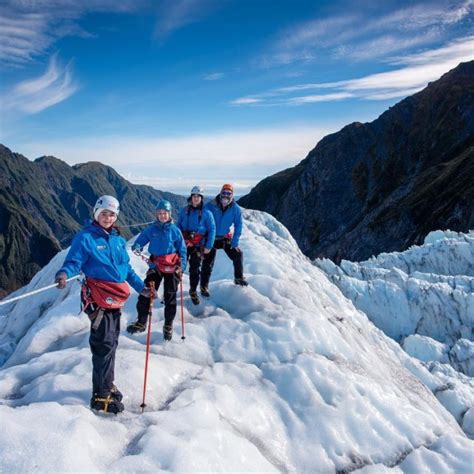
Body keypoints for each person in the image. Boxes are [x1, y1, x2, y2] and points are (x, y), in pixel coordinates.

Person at [55, 195, 145, 414]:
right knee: (103, 345)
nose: (108, 218)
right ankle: (100, 395)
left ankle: (107, 383)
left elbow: (127, 271)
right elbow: (74, 262)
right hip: (97, 300)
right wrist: (64, 273)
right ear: (96, 214)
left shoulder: (117, 240)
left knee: (111, 343)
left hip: (114, 299)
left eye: (112, 214)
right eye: (104, 213)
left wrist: (142, 288)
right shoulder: (86, 238)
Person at [127, 199, 186, 341]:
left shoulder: (175, 231)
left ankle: (168, 325)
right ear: (156, 214)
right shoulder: (151, 230)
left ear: (169, 214)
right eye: (159, 213)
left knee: (170, 297)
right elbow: (141, 241)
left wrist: (182, 267)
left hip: (172, 266)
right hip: (156, 265)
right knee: (146, 293)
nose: (162, 215)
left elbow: (182, 250)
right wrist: (137, 246)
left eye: (164, 213)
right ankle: (141, 322)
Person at [200, 183, 248, 297]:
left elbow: (238, 225)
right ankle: (204, 287)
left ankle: (238, 277)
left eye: (228, 193)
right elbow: (202, 221)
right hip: (210, 237)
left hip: (224, 238)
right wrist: (202, 241)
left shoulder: (235, 209)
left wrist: (235, 241)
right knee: (208, 263)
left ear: (232, 195)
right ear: (220, 193)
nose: (226, 196)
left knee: (238, 254)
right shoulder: (210, 206)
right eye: (224, 193)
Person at [177, 186, 216, 305]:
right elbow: (178, 226)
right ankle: (171, 290)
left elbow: (212, 229)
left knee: (194, 269)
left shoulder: (207, 213)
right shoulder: (184, 211)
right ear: (191, 197)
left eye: (198, 196)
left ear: (201, 198)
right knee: (178, 267)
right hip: (184, 243)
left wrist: (209, 245)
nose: (196, 198)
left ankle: (193, 291)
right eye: (194, 196)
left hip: (198, 245)